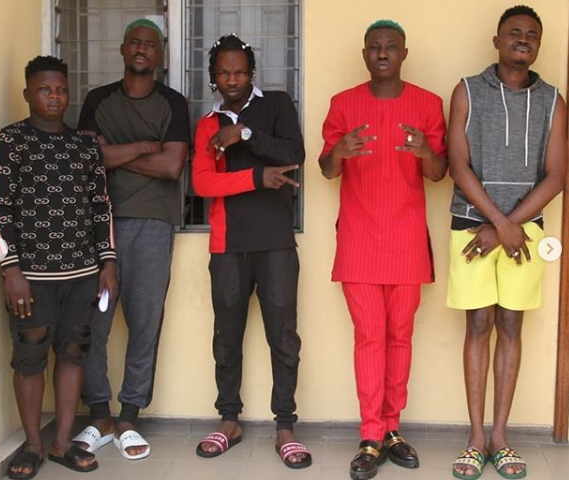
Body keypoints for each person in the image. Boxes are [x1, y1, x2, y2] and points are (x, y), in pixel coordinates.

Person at [319, 20, 447, 480]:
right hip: (358, 240)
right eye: (375, 47)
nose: (383, 53)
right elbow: (326, 169)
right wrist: (340, 152)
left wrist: (425, 152)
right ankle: (371, 434)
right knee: (369, 337)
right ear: (365, 54)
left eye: (392, 47)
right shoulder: (343, 104)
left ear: (404, 53)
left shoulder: (428, 104)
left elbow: (439, 173)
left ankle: (393, 428)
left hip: (407, 240)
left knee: (401, 337)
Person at [0, 55, 117, 478]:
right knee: (30, 356)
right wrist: (11, 270)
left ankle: (61, 442)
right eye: (44, 89)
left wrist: (108, 262)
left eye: (60, 89)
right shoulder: (8, 142)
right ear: (27, 93)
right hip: (30, 277)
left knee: (74, 352)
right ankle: (32, 445)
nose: (54, 96)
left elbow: (101, 206)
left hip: (82, 274)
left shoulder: (84, 147)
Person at [448, 5, 567, 480]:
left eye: (531, 35)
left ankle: (500, 437)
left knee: (512, 325)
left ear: (538, 45)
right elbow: (458, 165)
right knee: (479, 323)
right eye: (514, 32)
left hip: (523, 231)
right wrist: (499, 224)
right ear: (496, 41)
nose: (523, 39)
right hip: (471, 227)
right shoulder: (466, 90)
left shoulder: (554, 101)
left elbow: (556, 175)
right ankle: (476, 439)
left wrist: (507, 226)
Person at [191, 33, 311, 469]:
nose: (232, 80)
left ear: (251, 73)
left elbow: (293, 153)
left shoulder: (276, 105)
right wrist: (259, 178)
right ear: (213, 78)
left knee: (284, 337)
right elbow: (202, 183)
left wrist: (243, 133)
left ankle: (285, 427)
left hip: (276, 242)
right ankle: (229, 421)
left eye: (240, 72)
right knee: (227, 337)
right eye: (223, 73)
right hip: (227, 244)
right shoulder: (207, 125)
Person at [72, 19, 190, 460]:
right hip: (99, 225)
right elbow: (87, 159)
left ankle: (129, 417)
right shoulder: (98, 99)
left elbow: (172, 167)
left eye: (151, 44)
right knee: (94, 322)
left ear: (160, 55)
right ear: (122, 49)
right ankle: (99, 414)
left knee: (144, 322)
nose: (142, 49)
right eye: (135, 43)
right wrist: (145, 147)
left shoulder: (172, 103)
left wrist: (114, 153)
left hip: (153, 225)